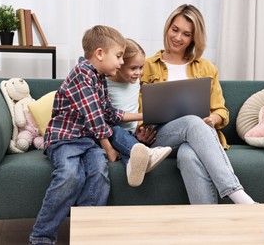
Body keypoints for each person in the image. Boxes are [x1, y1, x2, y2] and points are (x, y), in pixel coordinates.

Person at [29, 25, 167, 245]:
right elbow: (95, 117)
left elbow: (109, 114)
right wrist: (110, 149)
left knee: (99, 176)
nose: (122, 62)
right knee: (71, 176)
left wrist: (144, 114)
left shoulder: (100, 78)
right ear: (100, 53)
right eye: (119, 56)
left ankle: (86, 236)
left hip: (88, 141)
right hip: (65, 139)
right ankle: (41, 238)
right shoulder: (82, 75)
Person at [139, 4, 256, 205]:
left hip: (196, 137)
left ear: (194, 38)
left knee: (188, 154)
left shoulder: (207, 68)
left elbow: (221, 110)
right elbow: (136, 109)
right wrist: (139, 131)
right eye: (174, 30)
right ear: (168, 28)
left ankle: (207, 223)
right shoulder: (147, 65)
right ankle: (238, 195)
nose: (177, 37)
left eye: (186, 34)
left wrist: (213, 118)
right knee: (192, 122)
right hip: (160, 137)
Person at [107, 38, 171, 185]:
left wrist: (142, 126)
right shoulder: (106, 84)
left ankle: (131, 166)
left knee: (131, 148)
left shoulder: (135, 82)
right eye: (133, 68)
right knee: (116, 131)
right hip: (110, 133)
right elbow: (108, 116)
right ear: (120, 64)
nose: (139, 73)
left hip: (131, 134)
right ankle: (147, 154)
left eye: (141, 67)